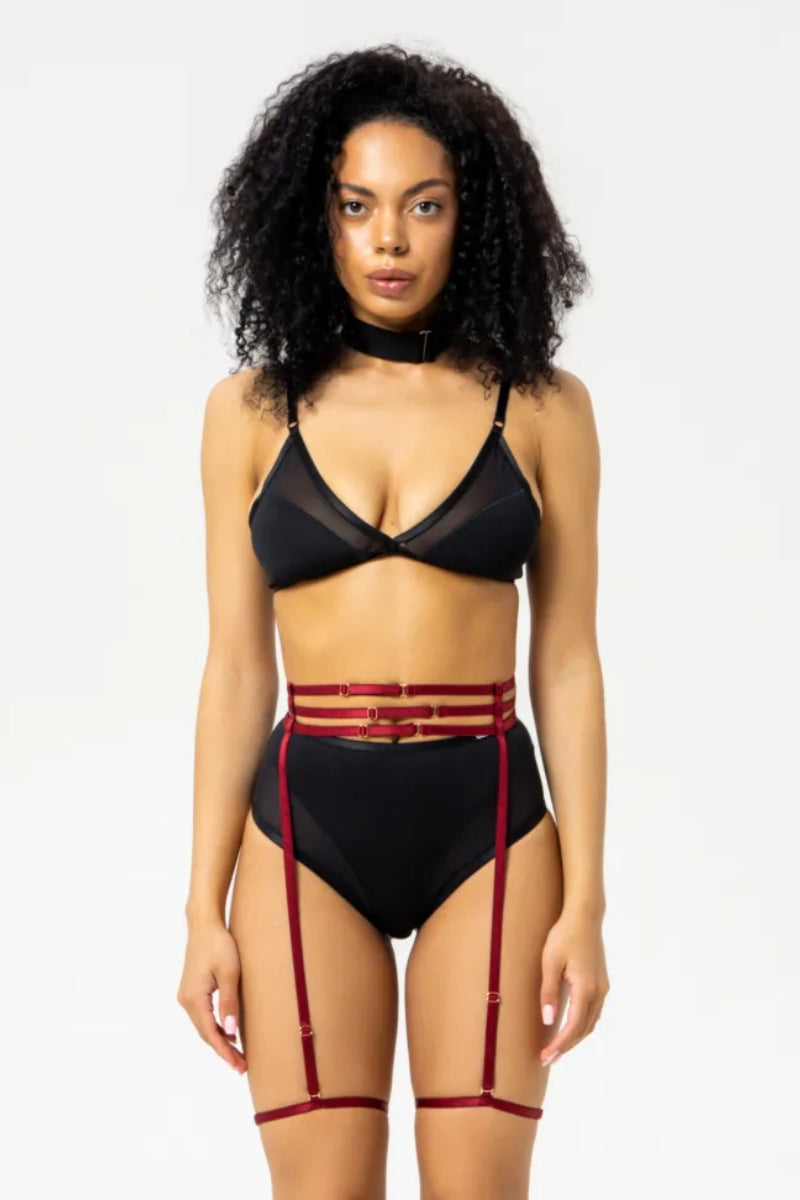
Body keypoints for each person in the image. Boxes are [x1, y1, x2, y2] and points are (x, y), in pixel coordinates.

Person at [178, 44, 610, 1198]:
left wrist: (585, 900)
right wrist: (200, 909)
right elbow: (235, 673)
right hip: (302, 833)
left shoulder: (544, 409)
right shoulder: (250, 413)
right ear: (312, 218)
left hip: (491, 826)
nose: (389, 240)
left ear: (473, 218)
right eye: (356, 205)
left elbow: (567, 662)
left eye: (424, 206)